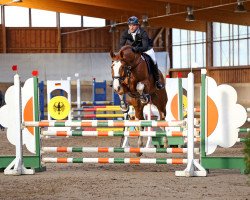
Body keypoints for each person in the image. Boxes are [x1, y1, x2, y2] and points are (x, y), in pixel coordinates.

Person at [120, 16, 164, 90]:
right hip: (134, 50)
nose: (131, 27)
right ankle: (120, 79)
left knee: (153, 60)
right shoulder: (125, 33)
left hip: (146, 49)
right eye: (130, 25)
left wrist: (135, 49)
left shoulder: (143, 32)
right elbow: (121, 46)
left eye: (133, 25)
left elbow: (145, 46)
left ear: (137, 26)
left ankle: (157, 80)